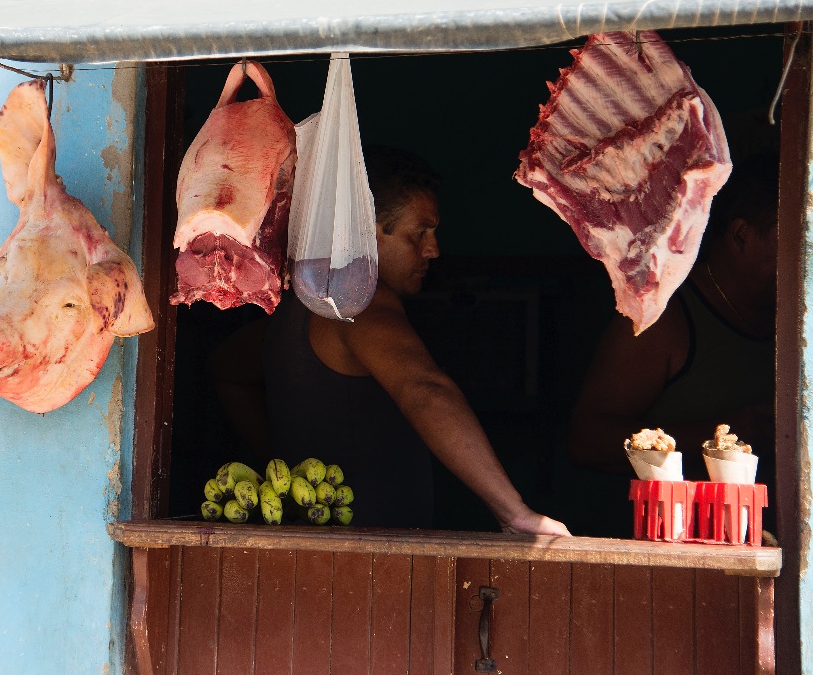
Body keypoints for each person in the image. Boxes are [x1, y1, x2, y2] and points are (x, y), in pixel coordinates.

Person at [211, 145, 569, 535]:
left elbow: (225, 370)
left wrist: (282, 465)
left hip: (324, 548)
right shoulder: (358, 302)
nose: (433, 250)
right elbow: (424, 388)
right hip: (367, 560)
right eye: (420, 233)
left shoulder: (298, 307)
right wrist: (513, 513)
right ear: (370, 230)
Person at [568, 152, 778, 499]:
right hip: (669, 532)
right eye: (801, 239)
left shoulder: (794, 315)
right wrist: (722, 437)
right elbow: (587, 443)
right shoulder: (663, 317)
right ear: (742, 235)